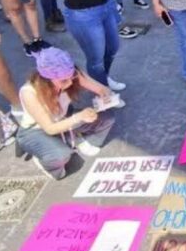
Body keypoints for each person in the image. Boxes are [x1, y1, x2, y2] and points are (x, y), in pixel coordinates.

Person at [16, 48, 116, 179]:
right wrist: (79, 117)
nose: (69, 83)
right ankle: (46, 158)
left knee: (107, 118)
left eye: (71, 77)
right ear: (46, 79)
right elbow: (50, 129)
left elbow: (102, 89)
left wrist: (105, 96)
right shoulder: (29, 92)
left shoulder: (71, 73)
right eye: (63, 81)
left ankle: (75, 139)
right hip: (37, 130)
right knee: (61, 156)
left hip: (63, 118)